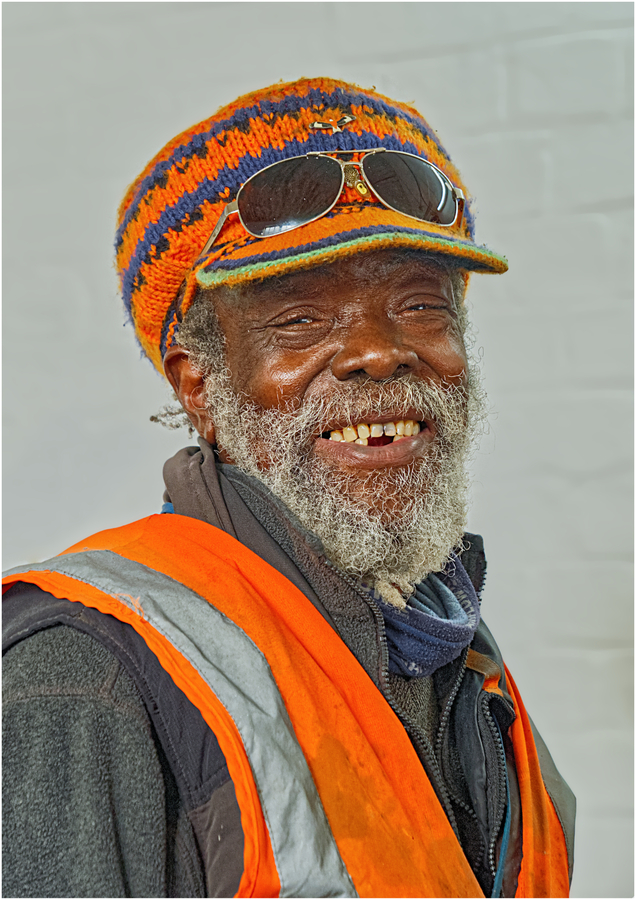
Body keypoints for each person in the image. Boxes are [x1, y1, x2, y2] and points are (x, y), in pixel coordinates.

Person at [3, 77, 575, 898]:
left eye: (419, 306)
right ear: (198, 387)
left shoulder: (453, 645)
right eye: (301, 319)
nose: (379, 352)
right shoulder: (87, 676)